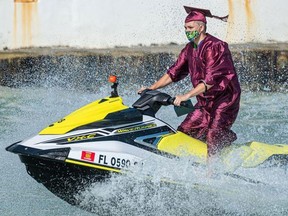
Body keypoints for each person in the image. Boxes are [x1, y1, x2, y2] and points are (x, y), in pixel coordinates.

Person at [139, 6, 241, 158]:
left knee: (214, 134)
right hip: (204, 100)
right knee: (185, 131)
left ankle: (212, 171)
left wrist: (186, 96)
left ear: (201, 27)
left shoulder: (216, 46)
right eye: (185, 27)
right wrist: (151, 88)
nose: (187, 30)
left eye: (190, 27)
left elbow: (210, 81)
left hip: (225, 99)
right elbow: (173, 73)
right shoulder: (189, 48)